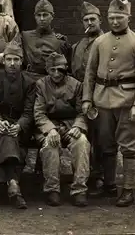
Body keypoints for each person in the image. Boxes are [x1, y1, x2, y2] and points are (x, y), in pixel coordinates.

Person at [82, 0, 135, 207]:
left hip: (127, 102)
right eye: (112, 17)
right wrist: (87, 99)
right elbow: (90, 73)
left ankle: (128, 190)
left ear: (128, 17)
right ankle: (110, 185)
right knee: (106, 145)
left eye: (119, 17)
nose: (115, 21)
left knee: (128, 147)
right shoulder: (99, 42)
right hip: (102, 101)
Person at [34, 52, 90, 207]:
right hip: (49, 126)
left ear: (66, 68)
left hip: (70, 125)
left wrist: (78, 126)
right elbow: (39, 113)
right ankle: (52, 189)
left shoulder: (76, 85)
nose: (56, 73)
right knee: (50, 145)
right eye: (52, 70)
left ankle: (79, 189)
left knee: (82, 142)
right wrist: (50, 129)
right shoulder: (41, 85)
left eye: (60, 69)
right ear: (47, 70)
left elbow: (81, 112)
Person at [0, 42, 35, 209]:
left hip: (21, 127)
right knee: (6, 135)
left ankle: (7, 181)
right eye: (9, 59)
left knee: (11, 137)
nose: (12, 63)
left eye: (16, 59)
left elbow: (29, 112)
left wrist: (20, 125)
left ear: (21, 61)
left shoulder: (29, 83)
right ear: (4, 61)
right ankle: (13, 184)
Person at [70, 1, 105, 195]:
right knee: (81, 136)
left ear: (100, 21)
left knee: (99, 137)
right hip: (79, 97)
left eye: (93, 19)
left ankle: (99, 177)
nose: (89, 23)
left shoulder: (106, 42)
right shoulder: (77, 45)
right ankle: (81, 175)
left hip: (99, 96)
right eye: (86, 20)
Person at [20, 0, 71, 82]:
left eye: (45, 15)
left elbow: (67, 67)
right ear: (35, 16)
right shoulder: (25, 36)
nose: (42, 18)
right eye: (39, 15)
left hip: (50, 82)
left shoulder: (60, 41)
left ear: (52, 16)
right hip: (28, 80)